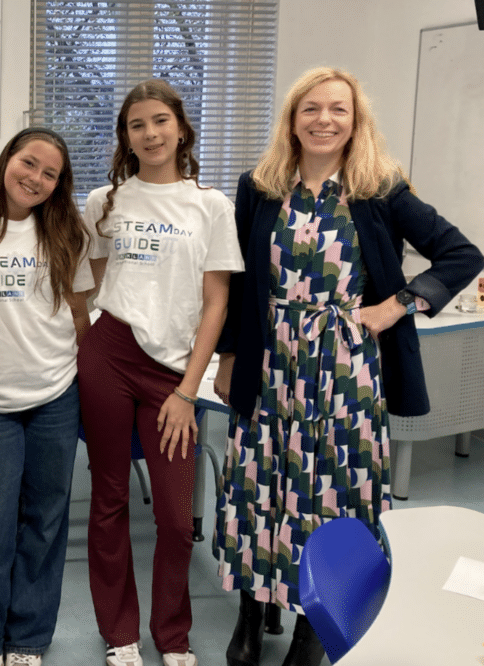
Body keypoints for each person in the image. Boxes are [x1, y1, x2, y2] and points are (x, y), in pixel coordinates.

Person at [212, 66, 484, 666]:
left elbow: (463, 253)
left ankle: (318, 620)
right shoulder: (258, 186)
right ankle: (253, 612)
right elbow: (237, 281)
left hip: (345, 365)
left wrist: (398, 306)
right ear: (292, 119)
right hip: (269, 359)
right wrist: (229, 355)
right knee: (261, 485)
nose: (324, 120)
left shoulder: (379, 188)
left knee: (332, 489)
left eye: (338, 109)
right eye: (311, 108)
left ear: (355, 121)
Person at [78, 79, 244, 666]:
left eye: (159, 121)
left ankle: (172, 636)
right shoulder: (106, 201)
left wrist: (185, 390)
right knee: (109, 498)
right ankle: (119, 634)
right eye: (136, 125)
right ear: (125, 136)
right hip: (110, 354)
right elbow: (95, 282)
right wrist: (89, 343)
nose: (149, 134)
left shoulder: (212, 205)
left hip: (173, 373)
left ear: (180, 127)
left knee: (175, 517)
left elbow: (217, 303)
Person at [0, 128, 93, 666]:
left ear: (59, 185)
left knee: (45, 517)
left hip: (55, 394)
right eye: (28, 163)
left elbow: (80, 316)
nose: (34, 178)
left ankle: (29, 638)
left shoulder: (65, 233)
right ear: (7, 159)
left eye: (49, 173)